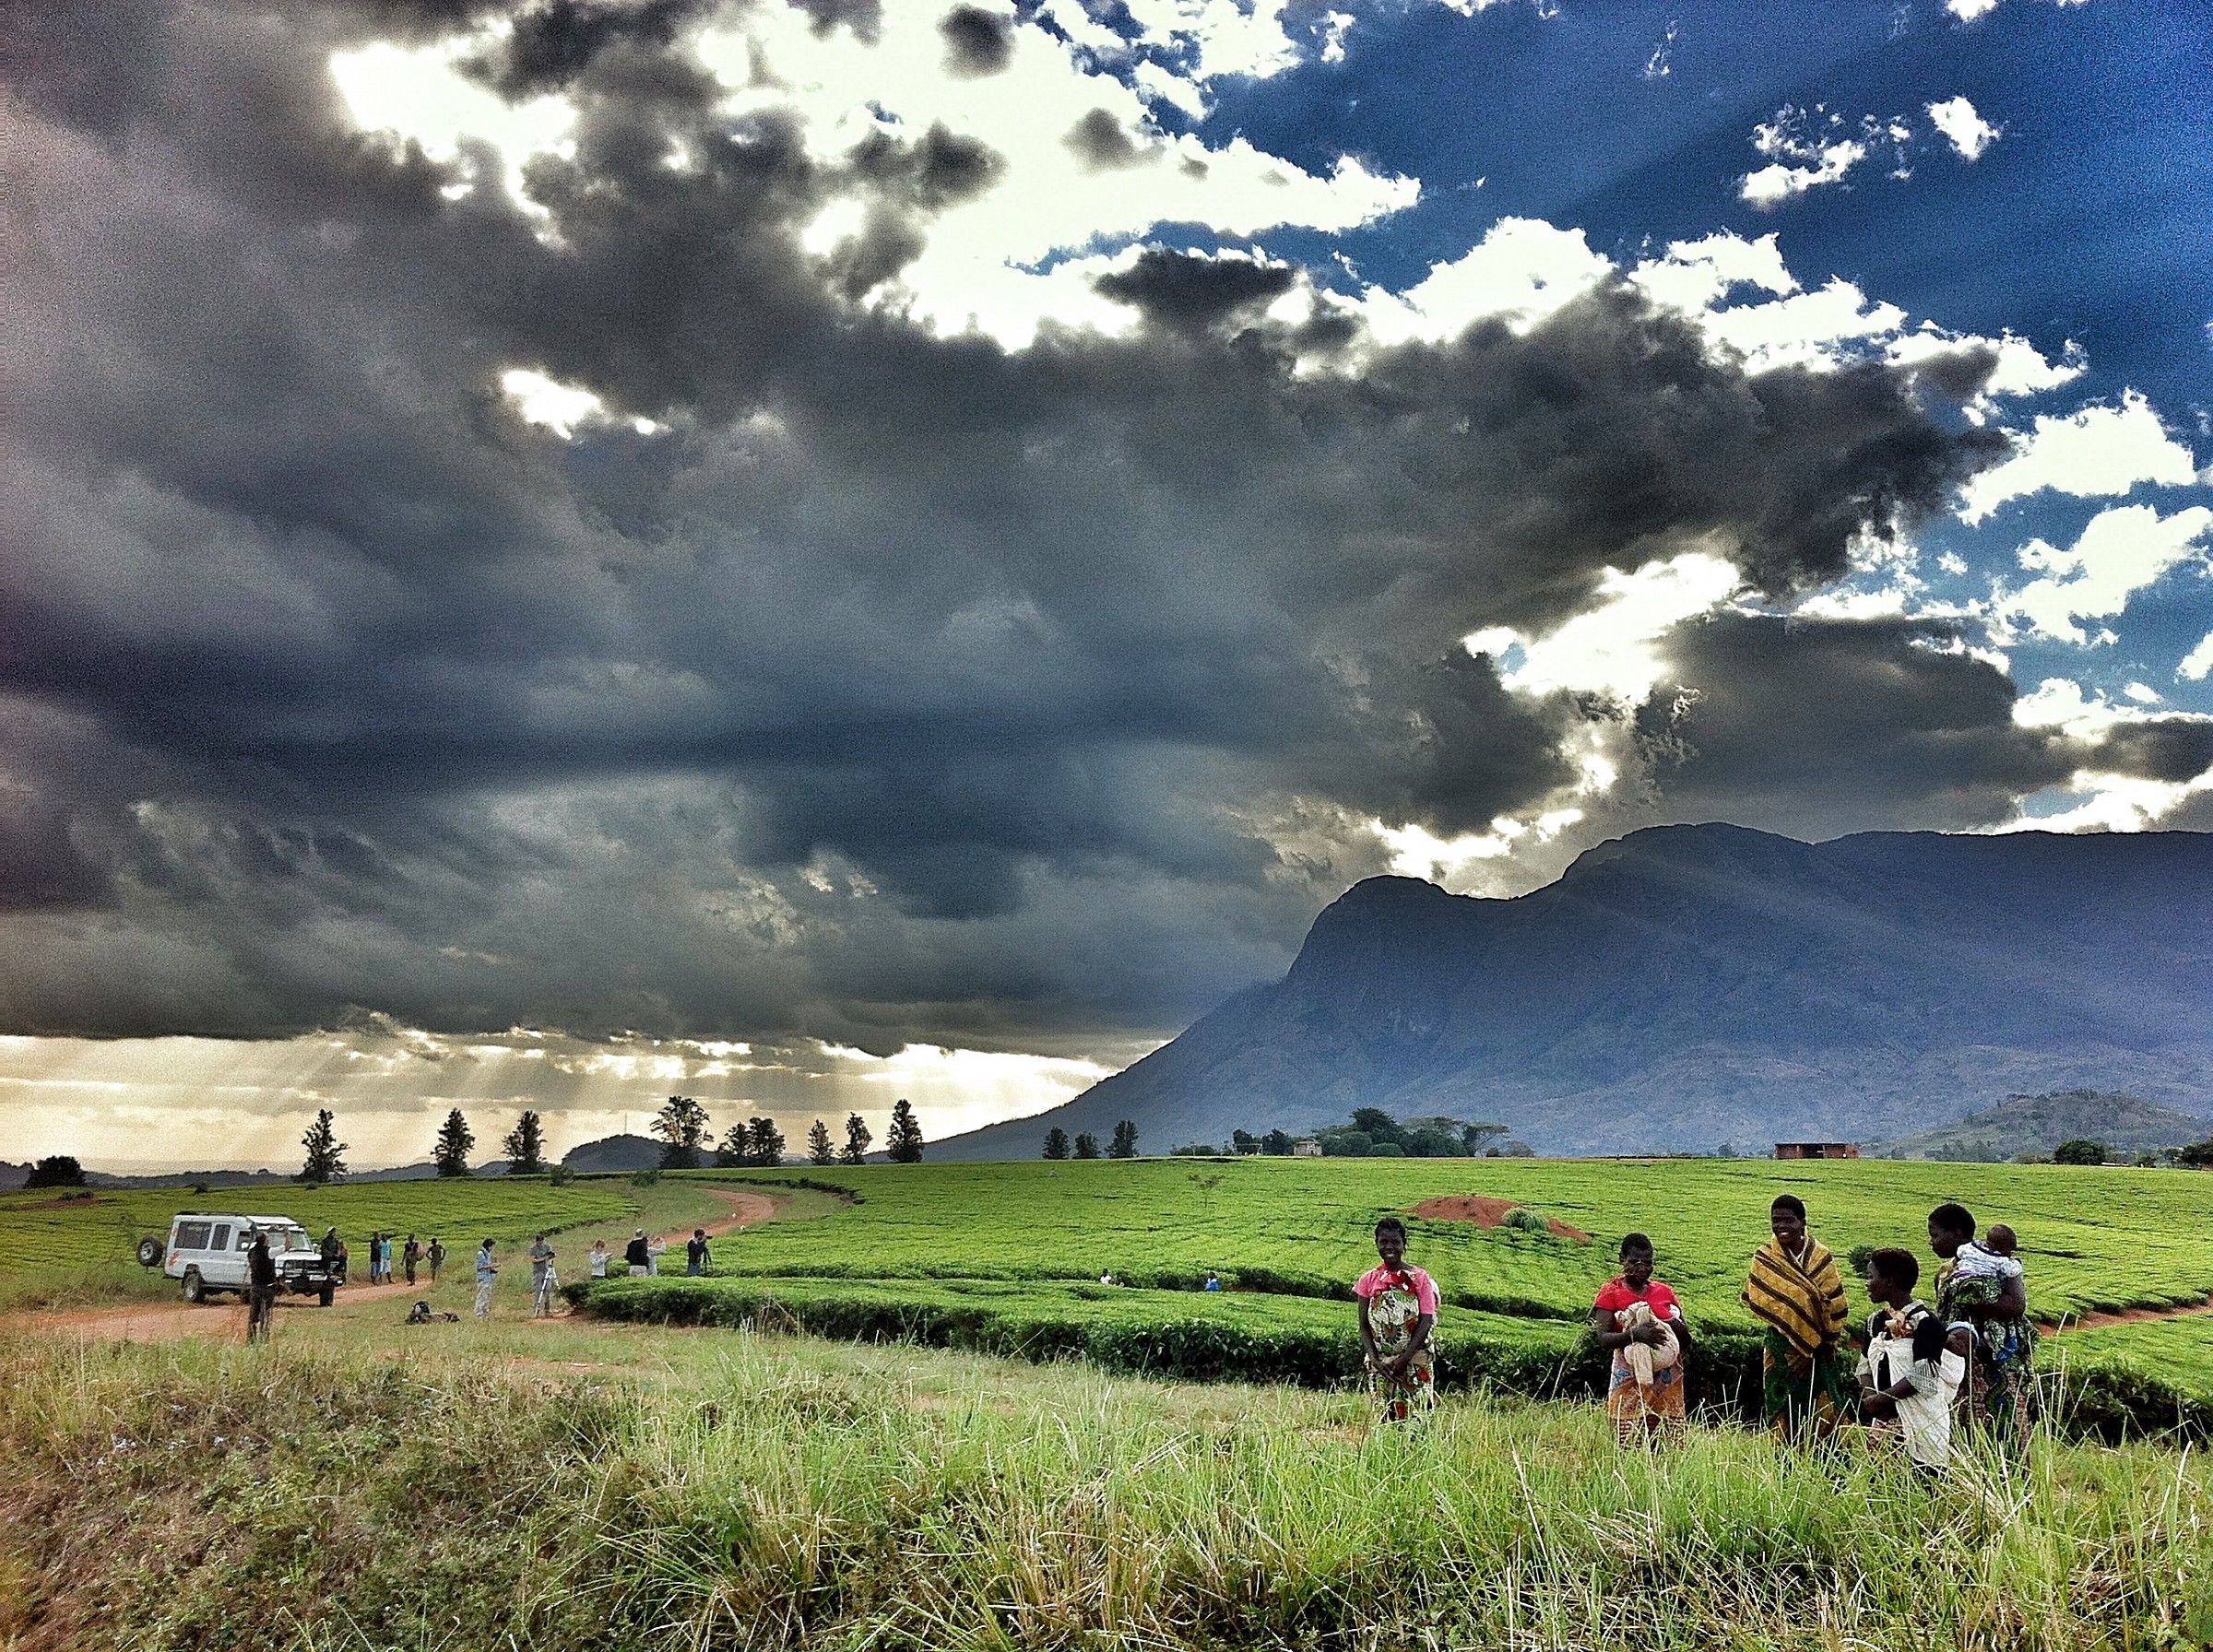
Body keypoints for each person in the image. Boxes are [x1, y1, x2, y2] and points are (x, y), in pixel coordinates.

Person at [1741, 1194, 1852, 1439]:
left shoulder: (1821, 1257)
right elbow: (1760, 1295)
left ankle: (1827, 1457)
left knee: (1824, 1404)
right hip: (1781, 1347)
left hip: (1820, 1348)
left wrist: (1824, 1332)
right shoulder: (1765, 1258)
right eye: (1776, 1220)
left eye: (1788, 1220)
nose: (1781, 1226)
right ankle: (1784, 1456)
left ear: (1802, 1222)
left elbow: (1835, 1301)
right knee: (1782, 1405)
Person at [1929, 1203, 2037, 1444]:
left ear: (1957, 1233)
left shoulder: (1997, 1264)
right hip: (1955, 1362)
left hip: (1990, 1362)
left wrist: (1974, 1302)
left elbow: (2016, 1305)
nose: (1931, 1242)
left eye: (1935, 1235)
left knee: (2001, 1428)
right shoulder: (1946, 1272)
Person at [1855, 1248, 1966, 1473]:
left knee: (1924, 1480)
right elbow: (1864, 1367)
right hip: (1885, 1421)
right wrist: (1873, 1400)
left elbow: (1925, 1377)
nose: (1867, 1283)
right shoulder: (1874, 1322)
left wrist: (1881, 1400)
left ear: (1889, 1281)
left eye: (1871, 1276)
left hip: (1921, 1421)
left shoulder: (1926, 1323)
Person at [1593, 1233, 1691, 1446]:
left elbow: (1686, 1340)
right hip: (1629, 1372)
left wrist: (1675, 1326)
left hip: (1667, 1376)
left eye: (1647, 1263)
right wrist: (1635, 1335)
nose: (1641, 1268)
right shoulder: (1610, 1293)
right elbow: (1603, 1338)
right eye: (1634, 1262)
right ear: (1622, 1259)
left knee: (1667, 1438)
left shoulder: (1664, 1292)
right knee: (1627, 1436)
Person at [1355, 1217, 1438, 1423]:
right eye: (1383, 1242)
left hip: (1414, 1363)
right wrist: (1375, 1360)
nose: (1389, 1247)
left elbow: (1426, 1320)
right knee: (1383, 1422)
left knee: (1417, 1421)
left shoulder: (1420, 1279)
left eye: (1395, 1242)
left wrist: (1404, 1359)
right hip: (1382, 1368)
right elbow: (1364, 1325)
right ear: (1376, 1244)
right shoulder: (1368, 1280)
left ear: (1404, 1244)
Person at [245, 1230, 277, 1343]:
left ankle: (251, 1339)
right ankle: (264, 1339)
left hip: (255, 1287)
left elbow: (256, 1242)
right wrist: (286, 1233)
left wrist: (267, 1231)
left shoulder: (252, 1252)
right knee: (266, 1315)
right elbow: (288, 1246)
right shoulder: (270, 1252)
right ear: (265, 1241)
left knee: (254, 1315)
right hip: (267, 1287)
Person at [528, 1233, 557, 1317]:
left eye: (542, 1241)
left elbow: (552, 1255)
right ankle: (536, 1310)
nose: (541, 1243)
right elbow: (533, 1260)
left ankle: (547, 1310)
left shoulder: (547, 1247)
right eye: (539, 1241)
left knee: (548, 1290)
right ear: (537, 1241)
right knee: (538, 1291)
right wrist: (544, 1258)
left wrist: (551, 1256)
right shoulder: (533, 1248)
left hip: (546, 1270)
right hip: (538, 1272)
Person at [474, 1237, 498, 1319]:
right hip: (483, 1279)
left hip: (489, 1278)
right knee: (481, 1296)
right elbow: (480, 1266)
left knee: (487, 1297)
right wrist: (492, 1265)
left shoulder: (488, 1254)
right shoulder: (481, 1254)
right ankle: (479, 1314)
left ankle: (485, 1314)